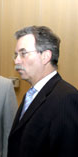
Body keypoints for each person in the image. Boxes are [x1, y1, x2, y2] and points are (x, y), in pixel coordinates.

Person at [8, 26, 78, 157]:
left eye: (23, 53)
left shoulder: (66, 98)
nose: (16, 61)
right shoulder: (31, 94)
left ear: (45, 56)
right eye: (15, 55)